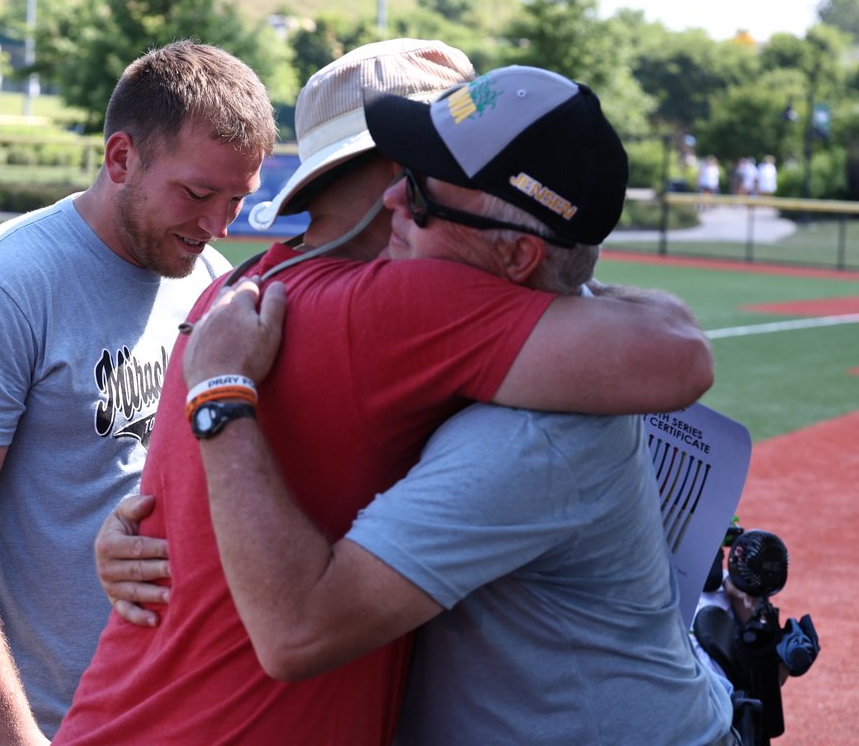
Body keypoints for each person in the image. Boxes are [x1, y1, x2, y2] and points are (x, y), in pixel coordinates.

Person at [56, 57, 715, 744]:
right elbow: (677, 350)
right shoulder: (393, 308)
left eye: (424, 183)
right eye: (410, 170)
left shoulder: (242, 287)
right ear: (380, 173)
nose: (402, 199)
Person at [0, 40, 277, 746]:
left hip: (165, 702)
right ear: (121, 158)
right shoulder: (1, 287)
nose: (218, 224)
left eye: (238, 199)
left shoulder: (207, 277)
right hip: (43, 716)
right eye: (198, 195)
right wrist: (11, 733)